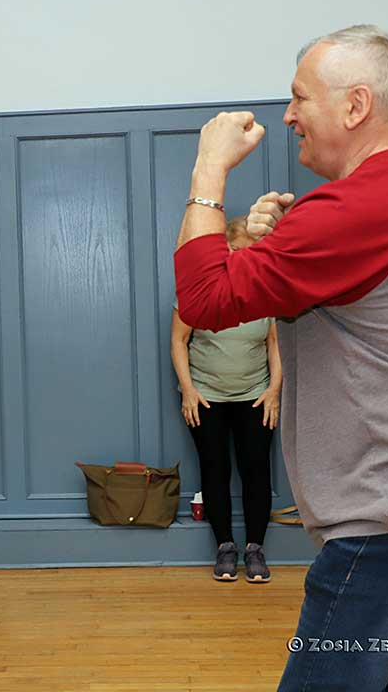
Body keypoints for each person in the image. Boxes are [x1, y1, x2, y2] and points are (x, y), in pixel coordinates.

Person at [173, 25, 388, 691]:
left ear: (356, 106)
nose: (288, 115)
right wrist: (283, 245)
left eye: (300, 97)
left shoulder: (365, 204)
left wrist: (208, 171)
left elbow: (204, 298)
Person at [171, 216, 280, 583]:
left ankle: (255, 550)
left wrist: (273, 391)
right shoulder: (199, 288)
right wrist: (188, 390)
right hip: (206, 396)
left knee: (256, 471)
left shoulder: (267, 292)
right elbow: (179, 340)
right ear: (223, 250)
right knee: (214, 470)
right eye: (235, 250)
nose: (240, 258)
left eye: (250, 253)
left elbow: (276, 344)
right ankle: (225, 548)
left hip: (255, 396)